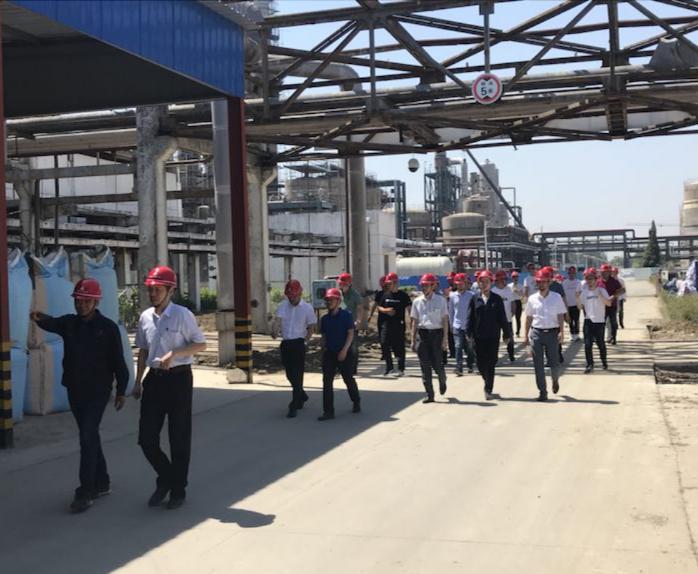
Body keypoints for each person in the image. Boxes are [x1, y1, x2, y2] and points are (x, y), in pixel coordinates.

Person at [30, 279, 129, 513]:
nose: (81, 305)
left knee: (86, 436)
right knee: (90, 435)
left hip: (98, 391)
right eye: (78, 301)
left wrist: (121, 390)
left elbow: (119, 361)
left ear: (96, 302)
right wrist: (38, 317)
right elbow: (52, 323)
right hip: (75, 390)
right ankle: (102, 481)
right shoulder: (70, 323)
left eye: (86, 301)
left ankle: (86, 491)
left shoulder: (107, 328)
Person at [133, 266, 207, 510]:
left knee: (179, 437)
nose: (153, 294)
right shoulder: (145, 317)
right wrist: (137, 381)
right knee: (146, 439)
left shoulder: (182, 315)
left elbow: (201, 345)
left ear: (170, 291)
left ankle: (178, 490)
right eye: (151, 289)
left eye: (158, 290)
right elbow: (143, 350)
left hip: (178, 380)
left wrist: (175, 353)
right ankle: (166, 476)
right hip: (154, 381)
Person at [272, 279, 316, 418]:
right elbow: (277, 321)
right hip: (286, 344)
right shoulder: (282, 306)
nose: (292, 299)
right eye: (289, 296)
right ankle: (302, 395)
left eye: (294, 296)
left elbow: (311, 327)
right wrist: (274, 330)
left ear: (300, 294)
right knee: (289, 374)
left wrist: (305, 342)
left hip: (298, 343)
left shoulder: (307, 308)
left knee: (297, 374)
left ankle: (294, 405)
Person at [524, 270, 568, 402]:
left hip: (552, 333)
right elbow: (528, 317)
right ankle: (543, 392)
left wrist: (562, 331)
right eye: (539, 282)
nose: (541, 284)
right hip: (536, 333)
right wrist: (525, 336)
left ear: (549, 282)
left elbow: (560, 315)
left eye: (544, 282)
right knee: (538, 365)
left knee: (554, 363)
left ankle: (555, 380)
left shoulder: (556, 297)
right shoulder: (532, 299)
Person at [318, 288, 361, 421]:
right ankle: (328, 411)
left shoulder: (346, 315)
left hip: (345, 352)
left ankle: (356, 401)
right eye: (327, 300)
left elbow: (350, 334)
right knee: (327, 382)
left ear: (338, 301)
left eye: (332, 300)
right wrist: (322, 350)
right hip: (330, 353)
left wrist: (344, 350)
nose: (329, 302)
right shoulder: (324, 319)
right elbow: (324, 336)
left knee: (348, 378)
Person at [466, 271, 510, 400]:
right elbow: (470, 317)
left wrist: (506, 333)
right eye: (481, 282)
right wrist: (468, 332)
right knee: (480, 363)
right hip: (478, 336)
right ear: (478, 283)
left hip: (493, 336)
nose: (484, 284)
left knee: (491, 362)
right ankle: (486, 378)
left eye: (486, 282)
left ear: (491, 283)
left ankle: (488, 388)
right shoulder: (474, 298)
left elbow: (502, 317)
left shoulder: (497, 299)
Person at [410, 273, 448, 403]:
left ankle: (442, 378)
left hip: (437, 334)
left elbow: (445, 320)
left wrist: (445, 339)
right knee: (425, 366)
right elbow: (414, 321)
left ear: (433, 286)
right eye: (422, 285)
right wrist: (412, 340)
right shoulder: (417, 301)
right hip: (423, 334)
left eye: (426, 285)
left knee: (437, 363)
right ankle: (429, 394)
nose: (424, 287)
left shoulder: (441, 300)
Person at [376, 273, 411, 377]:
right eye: (387, 283)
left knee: (399, 346)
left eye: (390, 283)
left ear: (395, 283)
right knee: (384, 343)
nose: (388, 285)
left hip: (399, 324)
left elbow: (409, 308)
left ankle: (400, 368)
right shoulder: (385, 295)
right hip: (386, 324)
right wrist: (386, 310)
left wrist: (412, 321)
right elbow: (379, 307)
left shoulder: (403, 295)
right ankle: (389, 367)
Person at [579, 267, 611, 373]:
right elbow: (580, 306)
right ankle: (589, 364)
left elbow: (609, 303)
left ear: (596, 279)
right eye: (587, 279)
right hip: (588, 320)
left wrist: (600, 296)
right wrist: (577, 298)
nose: (589, 281)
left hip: (599, 321)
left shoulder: (602, 290)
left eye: (591, 278)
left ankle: (604, 361)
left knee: (600, 343)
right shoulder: (584, 292)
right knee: (587, 344)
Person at [448, 272, 474, 376]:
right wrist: (451, 324)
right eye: (458, 284)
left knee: (469, 348)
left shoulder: (471, 296)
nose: (460, 285)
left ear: (465, 283)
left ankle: (470, 364)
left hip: (469, 326)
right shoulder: (452, 296)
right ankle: (459, 367)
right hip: (457, 325)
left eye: (462, 283)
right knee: (458, 346)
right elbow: (451, 311)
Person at [337, 272, 363, 374]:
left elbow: (360, 308)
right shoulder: (338, 294)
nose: (341, 286)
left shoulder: (354, 294)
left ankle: (353, 368)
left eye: (343, 284)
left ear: (349, 284)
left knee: (353, 347)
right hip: (340, 324)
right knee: (339, 345)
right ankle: (340, 367)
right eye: (340, 284)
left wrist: (358, 320)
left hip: (351, 324)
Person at [491, 270, 516, 362]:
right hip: (495, 320)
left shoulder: (509, 290)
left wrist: (512, 313)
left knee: (509, 338)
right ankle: (494, 357)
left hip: (507, 319)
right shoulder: (493, 291)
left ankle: (511, 355)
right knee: (495, 339)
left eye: (505, 279)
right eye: (502, 279)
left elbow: (513, 303)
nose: (504, 281)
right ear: (498, 280)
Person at [599, 263, 625, 345]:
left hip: (612, 305)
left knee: (613, 322)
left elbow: (622, 290)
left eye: (605, 272)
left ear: (609, 272)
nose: (604, 273)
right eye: (602, 272)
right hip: (602, 306)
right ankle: (601, 338)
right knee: (601, 323)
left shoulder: (614, 281)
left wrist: (614, 296)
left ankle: (613, 338)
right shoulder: (598, 282)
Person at [562, 266, 583, 342]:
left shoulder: (578, 282)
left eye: (573, 273)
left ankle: (576, 335)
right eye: (570, 273)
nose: (571, 274)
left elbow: (581, 292)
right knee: (569, 320)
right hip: (568, 305)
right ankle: (572, 335)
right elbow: (563, 294)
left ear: (575, 273)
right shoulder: (564, 282)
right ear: (568, 274)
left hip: (576, 304)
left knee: (576, 320)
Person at [509, 271, 523, 337]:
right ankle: (510, 332)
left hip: (518, 301)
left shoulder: (520, 286)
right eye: (514, 277)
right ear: (512, 278)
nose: (515, 278)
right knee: (509, 318)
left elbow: (522, 295)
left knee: (518, 318)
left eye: (516, 277)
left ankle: (518, 332)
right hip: (511, 302)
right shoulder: (509, 286)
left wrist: (517, 291)